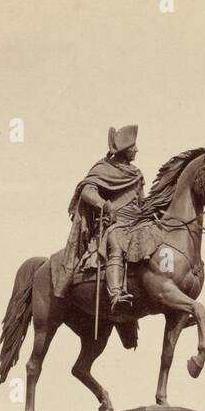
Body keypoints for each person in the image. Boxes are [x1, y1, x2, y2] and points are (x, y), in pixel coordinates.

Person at [56, 125, 145, 307]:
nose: (136, 150)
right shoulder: (104, 168)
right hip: (115, 224)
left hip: (136, 223)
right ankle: (115, 294)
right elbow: (87, 191)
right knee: (117, 244)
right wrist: (104, 204)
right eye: (133, 146)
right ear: (124, 149)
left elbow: (141, 202)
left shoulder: (136, 174)